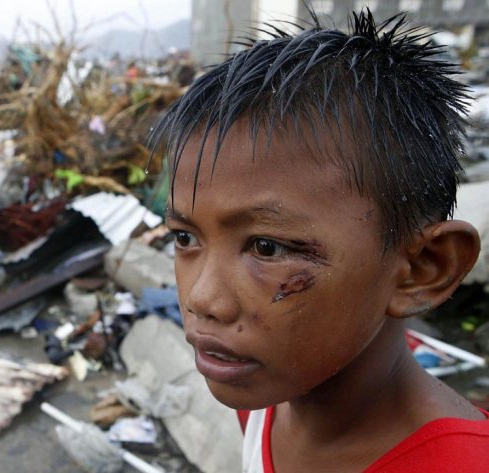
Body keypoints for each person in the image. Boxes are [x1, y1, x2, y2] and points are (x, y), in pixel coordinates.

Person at [149, 8, 489, 473]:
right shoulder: (265, 402)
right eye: (185, 237)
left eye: (267, 247)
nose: (201, 299)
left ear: (422, 269)